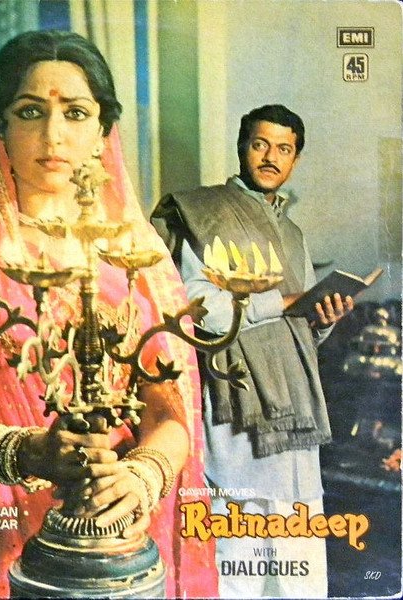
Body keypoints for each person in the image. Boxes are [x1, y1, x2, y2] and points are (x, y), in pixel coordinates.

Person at [0, 30, 217, 598]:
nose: (53, 134)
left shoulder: (135, 253)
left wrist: (140, 477)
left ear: (103, 130)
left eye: (76, 112)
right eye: (30, 111)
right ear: (0, 126)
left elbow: (172, 411)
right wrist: (26, 452)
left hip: (119, 530)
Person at [151, 104, 354, 598]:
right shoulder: (204, 211)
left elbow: (297, 329)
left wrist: (321, 320)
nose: (270, 157)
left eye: (284, 149)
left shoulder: (293, 233)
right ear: (242, 147)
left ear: (295, 160)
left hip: (294, 415)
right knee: (236, 568)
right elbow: (199, 309)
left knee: (299, 571)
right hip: (237, 409)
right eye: (260, 144)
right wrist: (280, 301)